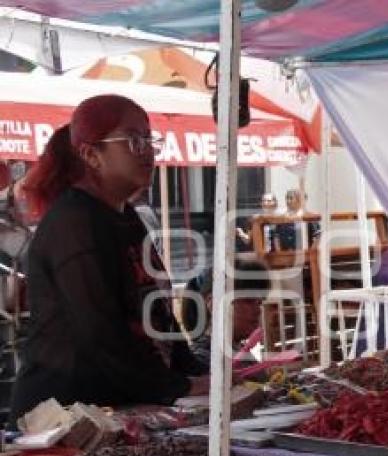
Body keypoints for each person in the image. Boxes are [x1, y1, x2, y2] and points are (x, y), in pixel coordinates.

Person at [9, 94, 208, 424]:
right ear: (91, 154)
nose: (147, 149)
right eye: (133, 139)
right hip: (64, 419)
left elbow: (157, 312)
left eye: (149, 138)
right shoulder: (74, 223)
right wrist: (178, 386)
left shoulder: (126, 215)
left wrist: (196, 373)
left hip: (126, 408)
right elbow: (99, 332)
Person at [180, 262, 268, 368]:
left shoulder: (242, 354)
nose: (258, 310)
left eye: (260, 302)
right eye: (248, 300)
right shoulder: (202, 360)